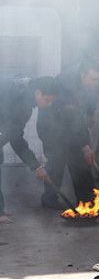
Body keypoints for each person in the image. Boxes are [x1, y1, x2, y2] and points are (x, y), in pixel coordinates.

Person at [38, 59, 99, 208]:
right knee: (57, 160)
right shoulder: (67, 85)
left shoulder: (89, 82)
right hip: (52, 126)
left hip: (68, 124)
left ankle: (85, 200)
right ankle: (49, 200)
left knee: (79, 160)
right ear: (83, 75)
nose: (97, 83)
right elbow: (72, 122)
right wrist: (85, 145)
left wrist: (90, 113)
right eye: (94, 79)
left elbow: (89, 100)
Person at [0, 77, 58, 222]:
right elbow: (16, 139)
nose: (49, 104)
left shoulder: (20, 93)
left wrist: (35, 166)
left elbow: (14, 136)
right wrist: (35, 166)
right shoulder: (19, 103)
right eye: (47, 100)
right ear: (38, 93)